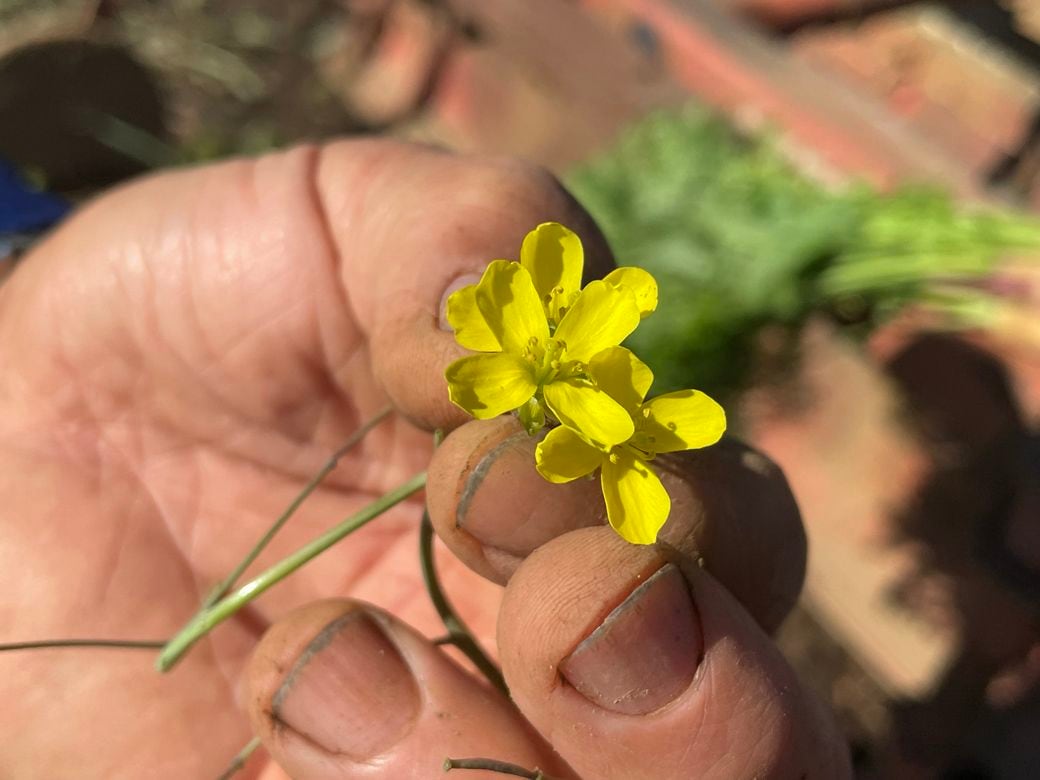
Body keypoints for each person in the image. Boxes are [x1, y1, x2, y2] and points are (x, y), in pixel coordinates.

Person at [0, 140, 850, 778]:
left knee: (575, 583)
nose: (560, 363)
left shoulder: (580, 412)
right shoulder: (519, 377)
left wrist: (21, 261)